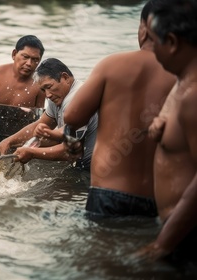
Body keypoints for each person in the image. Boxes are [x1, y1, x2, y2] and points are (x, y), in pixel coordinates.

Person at [63, 0, 176, 218]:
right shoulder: (184, 76)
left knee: (103, 249)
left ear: (144, 29)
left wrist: (72, 143)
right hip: (158, 199)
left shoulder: (112, 65)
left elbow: (72, 116)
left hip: (108, 190)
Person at [136, 0, 197, 261]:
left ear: (171, 42)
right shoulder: (184, 83)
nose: (148, 47)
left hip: (184, 235)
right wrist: (163, 118)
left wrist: (164, 242)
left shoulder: (193, 98)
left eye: (152, 39)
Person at [0, 58, 98, 171]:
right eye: (43, 90)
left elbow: (69, 151)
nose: (47, 95)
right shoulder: (58, 97)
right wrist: (9, 141)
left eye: (49, 87)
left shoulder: (78, 99)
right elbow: (40, 124)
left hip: (97, 169)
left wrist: (32, 153)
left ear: (65, 78)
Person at [0, 35, 46, 108]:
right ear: (14, 54)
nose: (29, 63)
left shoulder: (40, 84)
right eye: (25, 57)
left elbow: (40, 115)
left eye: (35, 60)